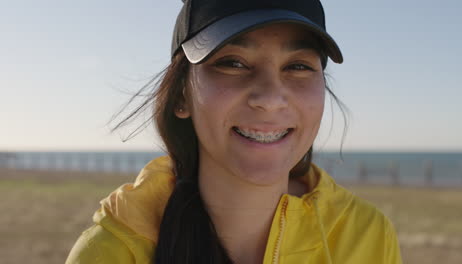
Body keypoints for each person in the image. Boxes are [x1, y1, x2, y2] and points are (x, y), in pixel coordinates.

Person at [66, 0, 402, 263]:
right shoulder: (113, 252)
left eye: (298, 66)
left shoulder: (366, 234)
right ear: (181, 95)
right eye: (233, 63)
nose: (270, 99)